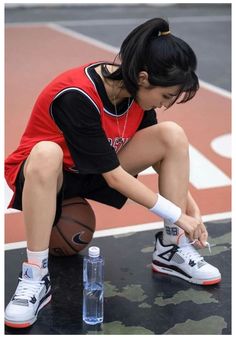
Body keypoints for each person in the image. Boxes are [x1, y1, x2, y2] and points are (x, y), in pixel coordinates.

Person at [5, 17, 221, 328]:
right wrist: (177, 213)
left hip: (94, 166)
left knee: (171, 134)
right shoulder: (76, 96)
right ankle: (36, 275)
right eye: (166, 96)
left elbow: (160, 154)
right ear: (144, 77)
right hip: (49, 174)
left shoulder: (136, 91)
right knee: (46, 152)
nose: (168, 104)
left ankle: (171, 249)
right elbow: (113, 176)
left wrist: (189, 206)